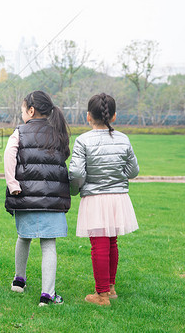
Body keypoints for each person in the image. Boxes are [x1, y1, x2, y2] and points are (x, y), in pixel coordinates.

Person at [69, 93, 139, 306]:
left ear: (88, 116)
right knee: (111, 242)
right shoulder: (123, 139)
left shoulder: (83, 140)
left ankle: (101, 296)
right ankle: (110, 287)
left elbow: (77, 174)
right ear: (114, 116)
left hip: (95, 198)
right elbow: (133, 170)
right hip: (118, 197)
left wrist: (74, 191)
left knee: (98, 245)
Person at [4, 90, 71, 307]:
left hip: (24, 197)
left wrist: (13, 185)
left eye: (23, 110)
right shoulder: (58, 132)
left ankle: (19, 280)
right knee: (48, 245)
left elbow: (9, 157)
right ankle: (47, 295)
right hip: (53, 200)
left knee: (23, 237)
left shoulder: (20, 132)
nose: (22, 114)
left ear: (31, 111)